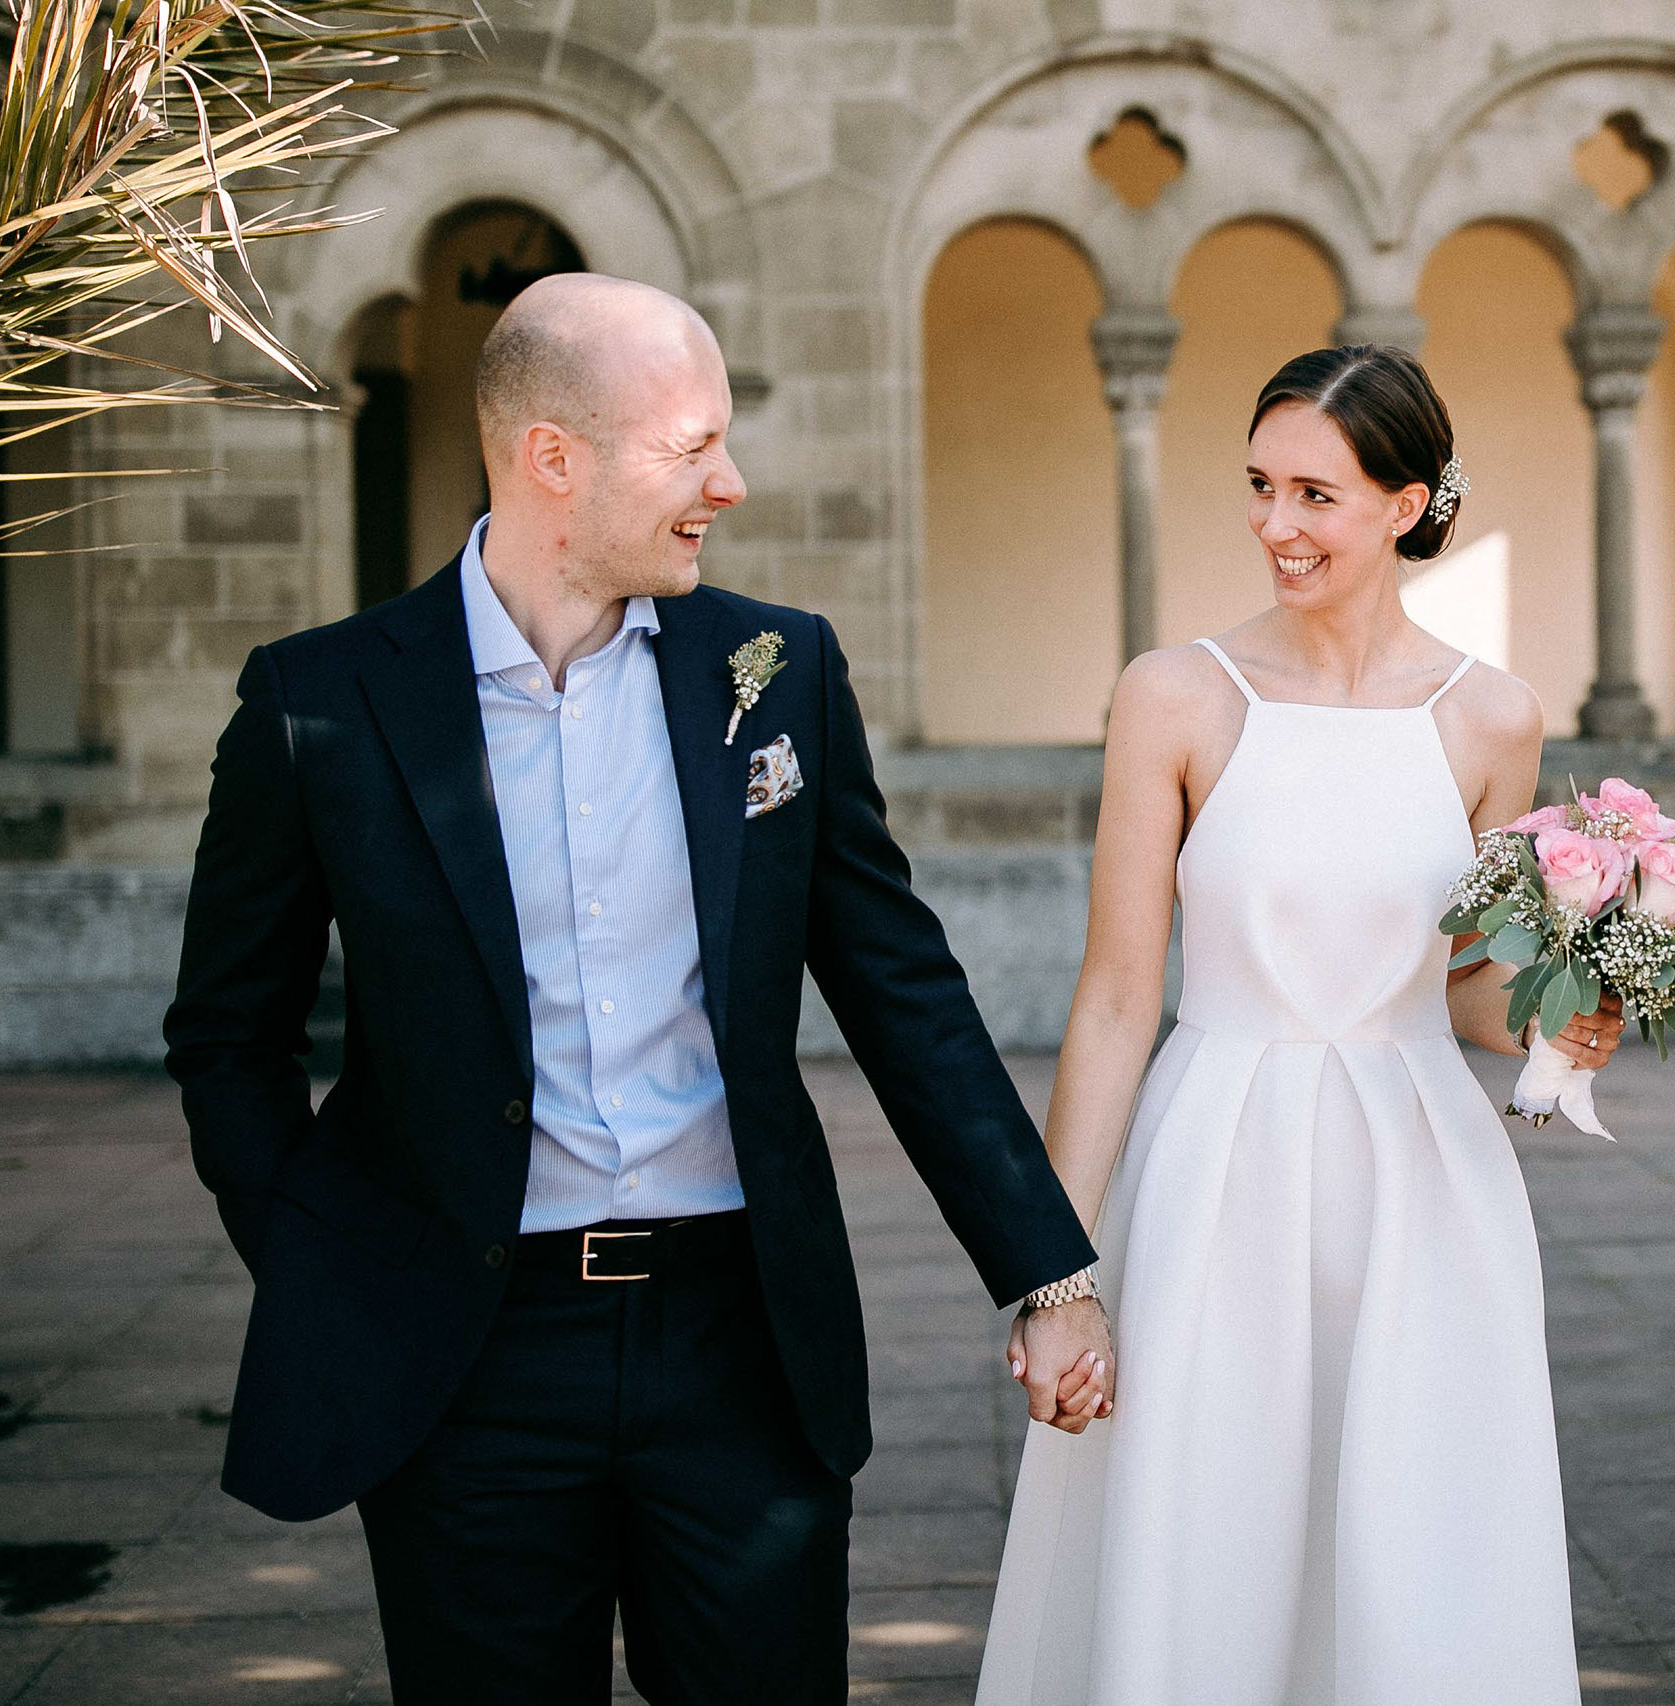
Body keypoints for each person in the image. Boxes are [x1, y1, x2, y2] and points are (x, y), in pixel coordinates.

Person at [162, 273, 1114, 1705]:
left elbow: (903, 988)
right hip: (464, 1360)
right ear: (554, 457)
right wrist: (328, 1260)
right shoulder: (319, 705)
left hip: (739, 1340)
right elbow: (226, 1033)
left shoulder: (777, 670)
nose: (728, 483)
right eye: (691, 448)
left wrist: (1048, 1268)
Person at [976, 345, 1624, 1705]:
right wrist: (1055, 1275)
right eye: (1262, 486)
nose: (1276, 524)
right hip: (1217, 1167)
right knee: (1205, 1543)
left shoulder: (1493, 716)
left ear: (1407, 504)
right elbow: (1112, 996)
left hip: (1422, 1182)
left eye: (1316, 494)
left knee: (1419, 1553)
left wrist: (1573, 1015)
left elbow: (1461, 983)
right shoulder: (1176, 694)